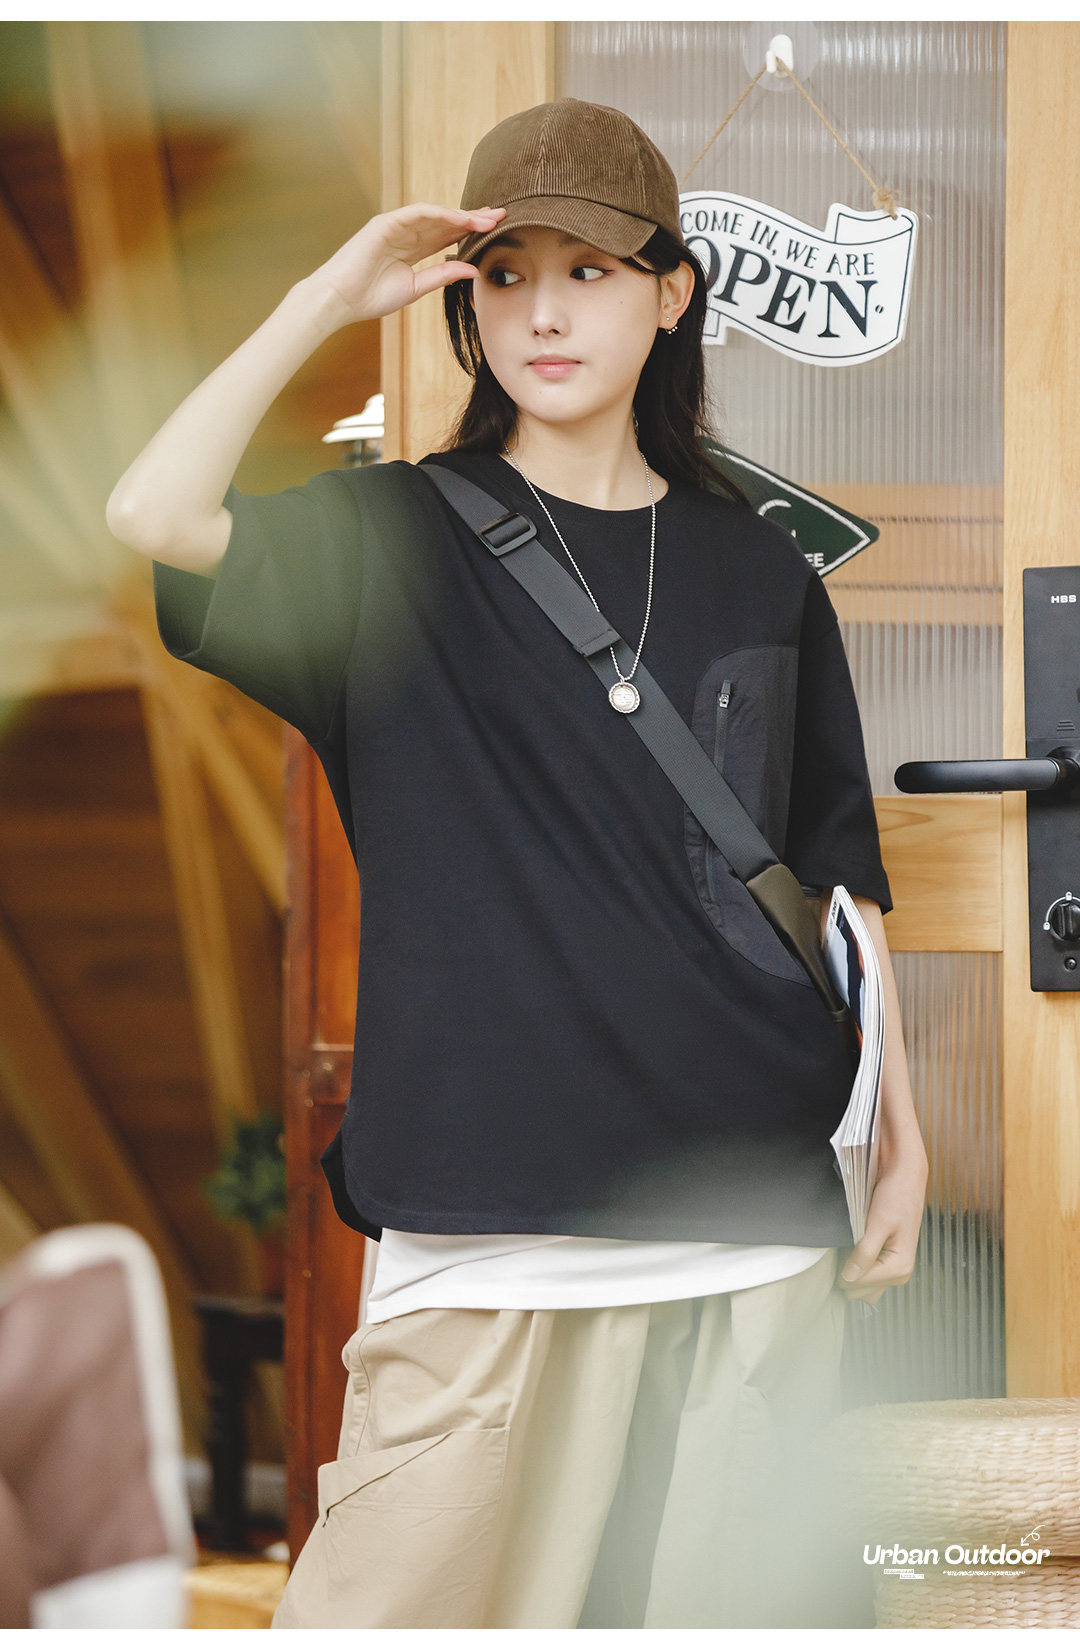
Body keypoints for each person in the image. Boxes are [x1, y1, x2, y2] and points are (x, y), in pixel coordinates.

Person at [107, 97, 928, 1630]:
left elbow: (831, 882)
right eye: (505, 275)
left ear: (671, 294)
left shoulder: (762, 567)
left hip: (746, 1202)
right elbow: (153, 510)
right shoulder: (383, 542)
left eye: (590, 272)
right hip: (485, 1214)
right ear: (465, 304)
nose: (544, 311)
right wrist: (326, 298)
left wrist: (899, 1136)